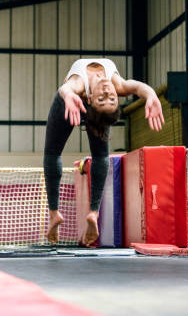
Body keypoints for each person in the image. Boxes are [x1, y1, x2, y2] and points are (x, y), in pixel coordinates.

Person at [43, 59, 164, 246]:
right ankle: (93, 212)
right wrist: (151, 96)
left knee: (52, 154)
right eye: (112, 98)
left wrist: (68, 95)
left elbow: (66, 88)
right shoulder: (118, 84)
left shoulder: (80, 85)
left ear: (90, 99)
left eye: (102, 99)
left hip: (67, 101)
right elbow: (138, 87)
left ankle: (54, 214)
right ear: (118, 94)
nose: (108, 92)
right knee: (100, 155)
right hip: (72, 102)